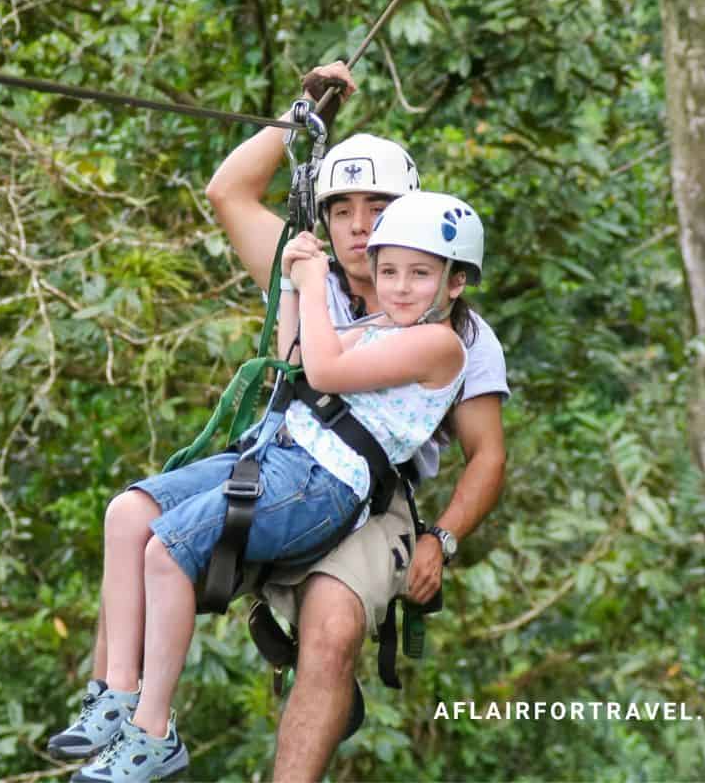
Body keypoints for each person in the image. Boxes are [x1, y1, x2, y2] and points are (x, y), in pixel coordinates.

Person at [48, 63, 509, 782]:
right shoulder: (314, 274)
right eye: (342, 208)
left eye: (378, 208)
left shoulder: (455, 330)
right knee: (135, 515)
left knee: (331, 627)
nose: (359, 226)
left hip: (370, 488)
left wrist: (441, 538)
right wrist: (304, 113)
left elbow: (486, 455)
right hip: (286, 448)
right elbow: (227, 191)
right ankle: (120, 705)